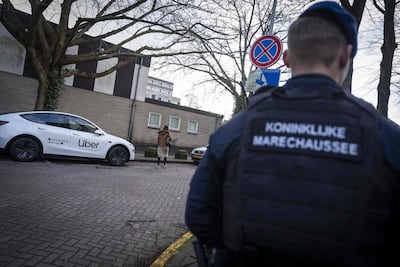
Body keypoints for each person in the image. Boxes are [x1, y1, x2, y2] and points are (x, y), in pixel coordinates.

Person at [185, 1, 400, 267]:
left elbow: (198, 214)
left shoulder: (237, 128)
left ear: (287, 58)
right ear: (345, 56)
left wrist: (233, 250)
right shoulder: (386, 138)